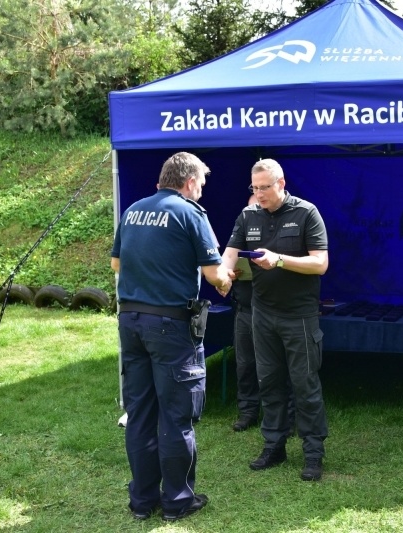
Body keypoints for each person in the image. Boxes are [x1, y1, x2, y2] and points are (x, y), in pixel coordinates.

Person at [111, 152, 232, 521]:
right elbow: (214, 274)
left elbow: (117, 264)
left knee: (140, 413)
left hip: (130, 321)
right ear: (190, 181)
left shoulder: (133, 210)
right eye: (202, 184)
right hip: (170, 327)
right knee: (177, 416)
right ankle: (178, 501)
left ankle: (142, 501)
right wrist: (228, 279)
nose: (202, 191)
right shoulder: (190, 213)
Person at [221, 158, 329, 481]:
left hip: (299, 315)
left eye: (265, 187)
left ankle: (313, 452)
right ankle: (274, 445)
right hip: (262, 314)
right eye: (255, 188)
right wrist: (225, 273)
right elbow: (230, 251)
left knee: (305, 384)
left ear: (281, 183)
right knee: (268, 381)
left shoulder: (306, 213)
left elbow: (320, 263)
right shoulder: (248, 215)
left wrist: (279, 260)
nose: (260, 194)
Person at [231, 196, 297, 433]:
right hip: (245, 309)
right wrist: (228, 272)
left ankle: (287, 419)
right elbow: (227, 258)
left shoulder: (282, 235)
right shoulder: (242, 229)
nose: (258, 209)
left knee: (280, 367)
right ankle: (248, 411)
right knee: (245, 364)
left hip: (275, 310)